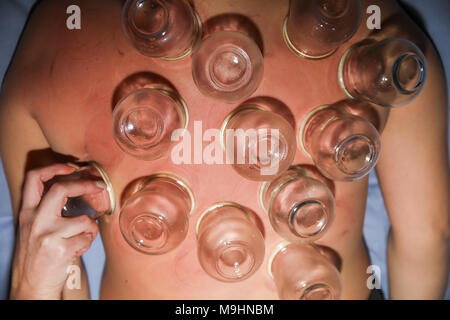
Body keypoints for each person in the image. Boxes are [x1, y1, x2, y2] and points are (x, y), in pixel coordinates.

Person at [0, 0, 448, 299]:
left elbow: (52, 264)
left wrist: (27, 290)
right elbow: (428, 236)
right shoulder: (382, 38)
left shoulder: (58, 33)